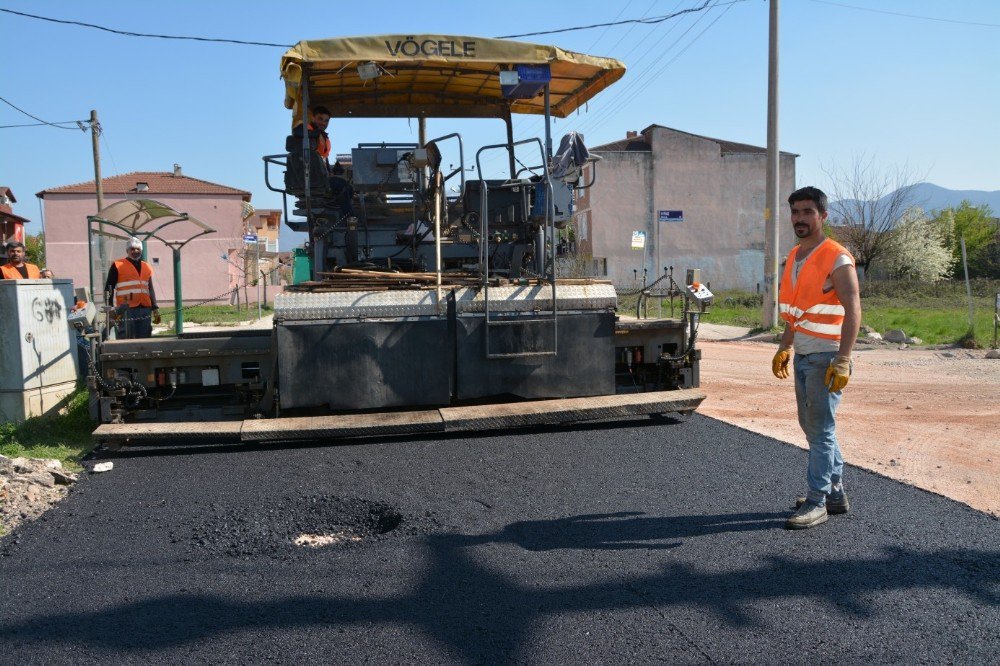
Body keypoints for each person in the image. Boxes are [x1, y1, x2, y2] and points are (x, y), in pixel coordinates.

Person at [773, 186, 861, 530]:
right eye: (795, 212)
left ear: (823, 216)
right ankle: (835, 491)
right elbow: (796, 312)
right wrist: (784, 346)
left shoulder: (836, 257)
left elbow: (853, 309)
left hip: (827, 357)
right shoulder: (794, 256)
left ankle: (817, 500)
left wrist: (844, 358)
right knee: (811, 427)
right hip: (804, 354)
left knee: (821, 430)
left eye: (808, 212)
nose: (800, 218)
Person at [104, 236, 159, 339]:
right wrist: (110, 308)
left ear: (141, 250)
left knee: (145, 337)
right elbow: (109, 287)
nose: (135, 251)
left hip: (145, 308)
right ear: (127, 251)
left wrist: (155, 307)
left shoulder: (146, 266)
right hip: (126, 309)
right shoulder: (117, 265)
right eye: (132, 249)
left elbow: (150, 288)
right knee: (127, 336)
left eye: (138, 249)